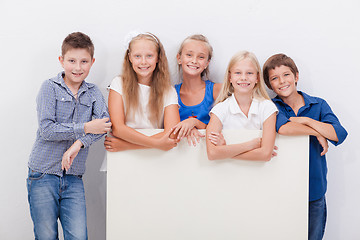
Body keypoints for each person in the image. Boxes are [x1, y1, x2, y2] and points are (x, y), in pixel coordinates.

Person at [27, 32, 111, 239]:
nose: (78, 67)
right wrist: (86, 127)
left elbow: (104, 125)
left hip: (73, 177)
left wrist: (79, 144)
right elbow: (47, 130)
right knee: (46, 235)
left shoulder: (93, 93)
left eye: (84, 61)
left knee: (78, 235)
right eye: (72, 61)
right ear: (61, 60)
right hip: (42, 174)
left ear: (92, 62)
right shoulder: (50, 88)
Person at [262, 53, 347, 240]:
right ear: (269, 85)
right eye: (274, 78)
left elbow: (338, 133)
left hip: (314, 189)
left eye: (286, 75)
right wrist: (316, 131)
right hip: (282, 189)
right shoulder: (270, 106)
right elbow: (283, 128)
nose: (282, 81)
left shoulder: (319, 104)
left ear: (296, 76)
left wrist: (308, 120)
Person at [104, 32, 180, 152]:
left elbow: (172, 132)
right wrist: (157, 143)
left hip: (152, 154)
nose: (143, 62)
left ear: (158, 58)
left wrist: (127, 146)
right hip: (123, 156)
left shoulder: (168, 91)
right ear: (129, 58)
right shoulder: (118, 84)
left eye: (149, 56)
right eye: (137, 56)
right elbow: (118, 128)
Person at [206, 51, 278, 161]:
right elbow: (212, 153)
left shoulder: (267, 107)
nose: (243, 77)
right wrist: (251, 145)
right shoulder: (220, 109)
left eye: (249, 73)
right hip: (228, 174)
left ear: (257, 78)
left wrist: (224, 150)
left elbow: (265, 154)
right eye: (238, 73)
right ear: (230, 77)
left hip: (260, 174)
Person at [171, 34, 222, 146]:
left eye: (201, 57)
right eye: (189, 55)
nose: (194, 61)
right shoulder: (171, 93)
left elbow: (224, 129)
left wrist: (194, 123)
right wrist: (187, 129)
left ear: (207, 63)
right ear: (179, 58)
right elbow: (169, 131)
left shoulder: (217, 90)